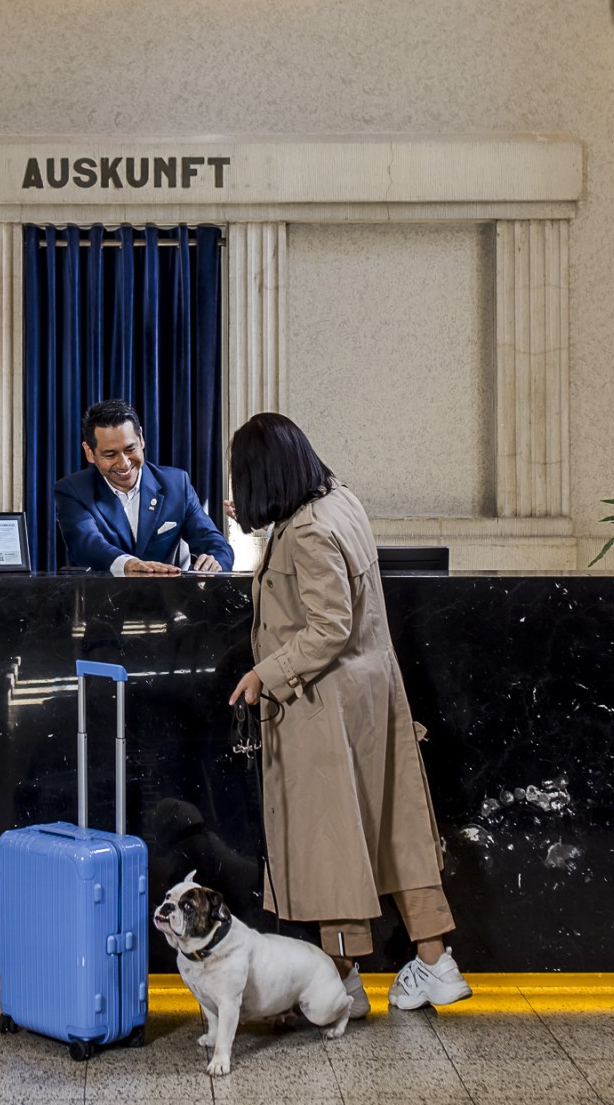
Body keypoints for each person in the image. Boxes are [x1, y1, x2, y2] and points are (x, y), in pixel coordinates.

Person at [224, 412, 470, 1013]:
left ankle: (339, 981)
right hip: (371, 695)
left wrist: (264, 674)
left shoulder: (306, 531)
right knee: (394, 831)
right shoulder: (340, 503)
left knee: (334, 841)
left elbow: (328, 626)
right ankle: (436, 962)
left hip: (324, 705)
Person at [52, 399, 233, 576]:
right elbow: (86, 544)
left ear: (141, 439)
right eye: (110, 455)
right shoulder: (72, 490)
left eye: (130, 449)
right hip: (104, 594)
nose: (124, 464)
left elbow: (216, 544)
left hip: (167, 594)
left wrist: (214, 562)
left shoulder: (177, 484)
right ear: (89, 453)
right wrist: (128, 564)